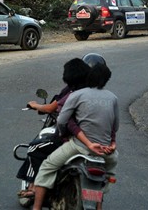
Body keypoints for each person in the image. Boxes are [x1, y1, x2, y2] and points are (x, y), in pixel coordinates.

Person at [32, 54, 119, 210]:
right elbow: (114, 126)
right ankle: (98, 206)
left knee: (46, 167)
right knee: (104, 178)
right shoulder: (113, 98)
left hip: (80, 147)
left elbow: (62, 121)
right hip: (107, 151)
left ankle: (36, 208)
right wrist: (112, 143)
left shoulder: (76, 95)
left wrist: (65, 135)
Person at [16, 58, 91, 199]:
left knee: (34, 148)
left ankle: (34, 189)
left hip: (74, 140)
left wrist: (34, 105)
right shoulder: (99, 94)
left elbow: (58, 114)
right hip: (98, 142)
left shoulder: (73, 94)